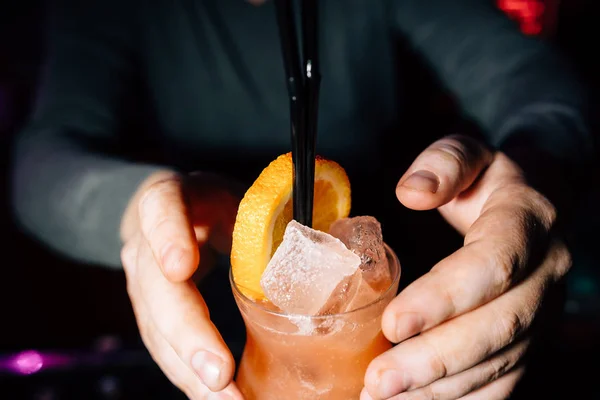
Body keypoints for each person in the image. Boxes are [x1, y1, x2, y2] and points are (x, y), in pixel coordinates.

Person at [10, 0, 595, 399]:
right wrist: (141, 209)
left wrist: (532, 179)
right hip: (218, 328)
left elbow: (541, 84)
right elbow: (39, 158)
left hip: (395, 336)